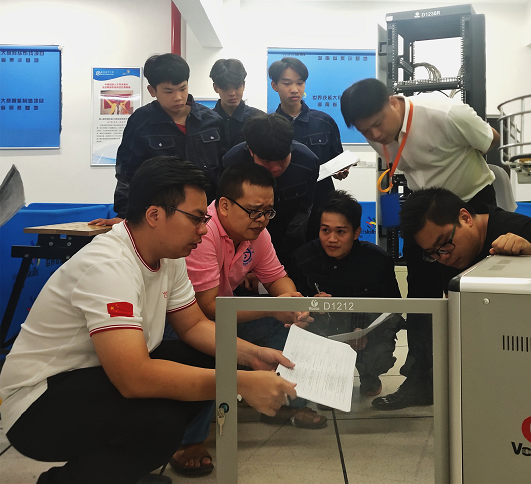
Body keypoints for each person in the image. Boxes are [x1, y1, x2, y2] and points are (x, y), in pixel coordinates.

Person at [0, 156, 297, 484]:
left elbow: (193, 326)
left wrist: (252, 357)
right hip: (36, 404)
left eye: (204, 219)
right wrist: (238, 382)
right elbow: (134, 378)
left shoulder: (170, 256)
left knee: (208, 357)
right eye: (196, 218)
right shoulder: (108, 266)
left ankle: (116, 471)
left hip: (91, 377)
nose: (204, 229)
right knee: (162, 422)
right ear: (154, 215)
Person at [340, 78, 501, 409]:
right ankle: (420, 381)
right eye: (365, 131)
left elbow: (491, 140)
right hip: (423, 210)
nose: (374, 134)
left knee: (478, 296)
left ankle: (486, 380)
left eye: (377, 124)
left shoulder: (447, 114)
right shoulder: (376, 134)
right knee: (421, 300)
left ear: (392, 102)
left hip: (469, 207)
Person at [369, 186, 531, 410]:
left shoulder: (513, 228)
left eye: (444, 243)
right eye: (433, 252)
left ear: (465, 218)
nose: (444, 256)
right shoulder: (447, 254)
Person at [185, 162, 326, 431]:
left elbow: (276, 278)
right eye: (253, 211)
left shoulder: (257, 234)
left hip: (224, 314)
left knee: (291, 328)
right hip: (189, 319)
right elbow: (207, 308)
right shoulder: (203, 233)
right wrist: (273, 308)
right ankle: (190, 437)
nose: (261, 219)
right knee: (208, 352)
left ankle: (284, 402)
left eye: (268, 211)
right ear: (224, 206)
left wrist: (293, 305)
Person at [288, 190, 403, 397]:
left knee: (378, 355)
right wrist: (310, 305)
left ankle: (369, 374)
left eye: (341, 232)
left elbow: (393, 308)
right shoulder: (303, 259)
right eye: (325, 230)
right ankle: (325, 378)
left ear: (357, 232)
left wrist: (366, 331)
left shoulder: (378, 261)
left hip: (365, 331)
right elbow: (292, 308)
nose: (331, 239)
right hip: (323, 331)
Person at [90, 53, 226, 227]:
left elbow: (225, 171)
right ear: (152, 91)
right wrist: (125, 215)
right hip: (163, 218)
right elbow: (127, 175)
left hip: (210, 217)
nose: (178, 97)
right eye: (168, 91)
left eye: (183, 88)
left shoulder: (212, 121)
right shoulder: (140, 122)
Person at [222, 113, 319, 268]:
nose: (275, 168)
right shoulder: (233, 162)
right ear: (251, 151)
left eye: (282, 160)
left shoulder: (307, 161)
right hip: (244, 239)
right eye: (266, 161)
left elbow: (306, 207)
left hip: (290, 236)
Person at [269, 57, 347, 240]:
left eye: (300, 83)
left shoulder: (324, 122)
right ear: (274, 85)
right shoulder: (269, 126)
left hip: (321, 204)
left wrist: (341, 171)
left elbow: (338, 159)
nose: (294, 89)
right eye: (287, 83)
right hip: (282, 208)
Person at [209, 58, 264, 149]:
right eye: (225, 88)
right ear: (215, 88)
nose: (232, 93)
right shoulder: (206, 121)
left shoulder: (260, 119)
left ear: (243, 85)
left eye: (237, 87)